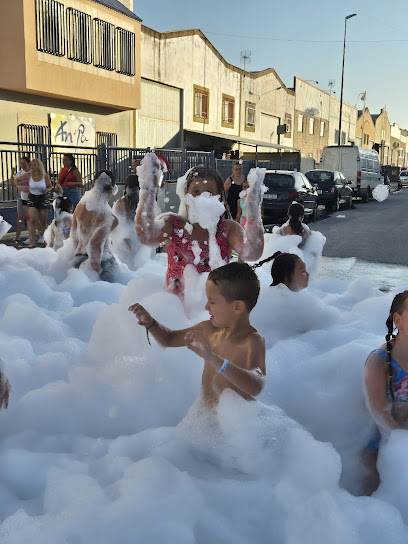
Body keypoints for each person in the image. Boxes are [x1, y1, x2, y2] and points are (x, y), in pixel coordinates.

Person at [128, 262, 266, 407]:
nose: (206, 306)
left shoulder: (251, 341)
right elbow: (170, 339)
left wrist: (213, 359)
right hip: (202, 421)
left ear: (237, 306)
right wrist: (151, 324)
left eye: (212, 301)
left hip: (234, 426)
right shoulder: (207, 329)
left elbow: (257, 387)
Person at [135, 154, 265, 298]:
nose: (202, 198)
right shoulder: (174, 225)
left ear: (220, 197)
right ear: (187, 197)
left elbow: (252, 252)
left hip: (213, 312)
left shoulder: (227, 229)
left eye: (209, 192)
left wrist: (253, 206)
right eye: (195, 192)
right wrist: (148, 189)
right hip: (176, 309)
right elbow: (146, 235)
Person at [363, 291, 408, 495]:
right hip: (381, 445)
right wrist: (402, 443)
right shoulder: (378, 362)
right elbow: (378, 412)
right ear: (397, 321)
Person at [70, 170, 119, 282]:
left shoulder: (80, 205)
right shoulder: (109, 217)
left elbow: (73, 236)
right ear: (112, 190)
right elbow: (94, 245)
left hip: (78, 260)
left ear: (93, 186)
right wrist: (94, 277)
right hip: (101, 265)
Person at [111, 174, 148, 270]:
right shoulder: (144, 203)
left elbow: (115, 223)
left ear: (126, 186)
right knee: (140, 269)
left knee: (126, 269)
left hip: (124, 240)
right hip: (140, 239)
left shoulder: (120, 203)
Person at [15, 158, 52, 248]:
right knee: (32, 220)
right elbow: (16, 179)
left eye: (34, 165)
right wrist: (18, 186)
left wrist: (46, 190)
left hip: (42, 198)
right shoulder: (29, 175)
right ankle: (32, 241)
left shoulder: (45, 176)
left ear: (38, 166)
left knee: (43, 221)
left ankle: (45, 238)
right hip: (32, 198)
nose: (32, 167)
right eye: (31, 165)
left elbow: (50, 186)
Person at [10, 156, 31, 246]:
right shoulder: (19, 174)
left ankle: (32, 236)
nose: (22, 165)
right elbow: (12, 183)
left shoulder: (32, 173)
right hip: (21, 196)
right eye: (21, 163)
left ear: (28, 163)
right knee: (20, 217)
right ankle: (17, 236)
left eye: (24, 163)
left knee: (31, 217)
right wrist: (12, 173)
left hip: (31, 197)